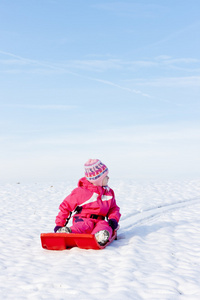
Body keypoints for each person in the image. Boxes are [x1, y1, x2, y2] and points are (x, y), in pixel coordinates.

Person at [54, 159, 121, 246]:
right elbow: (65, 207)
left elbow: (113, 208)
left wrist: (113, 219)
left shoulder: (108, 192)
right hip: (82, 220)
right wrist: (59, 224)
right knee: (81, 227)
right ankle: (67, 233)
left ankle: (100, 236)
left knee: (105, 226)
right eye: (106, 176)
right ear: (98, 179)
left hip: (100, 221)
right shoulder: (80, 192)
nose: (108, 178)